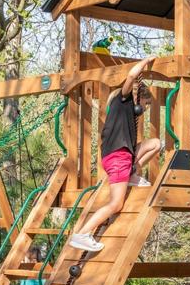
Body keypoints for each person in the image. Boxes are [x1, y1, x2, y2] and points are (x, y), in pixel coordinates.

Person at [68, 56, 161, 252]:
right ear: (139, 98)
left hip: (123, 155)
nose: (145, 108)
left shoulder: (127, 113)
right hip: (118, 157)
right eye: (146, 103)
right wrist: (146, 61)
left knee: (155, 144)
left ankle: (132, 175)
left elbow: (146, 146)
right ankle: (83, 234)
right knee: (116, 204)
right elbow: (131, 75)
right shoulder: (124, 100)